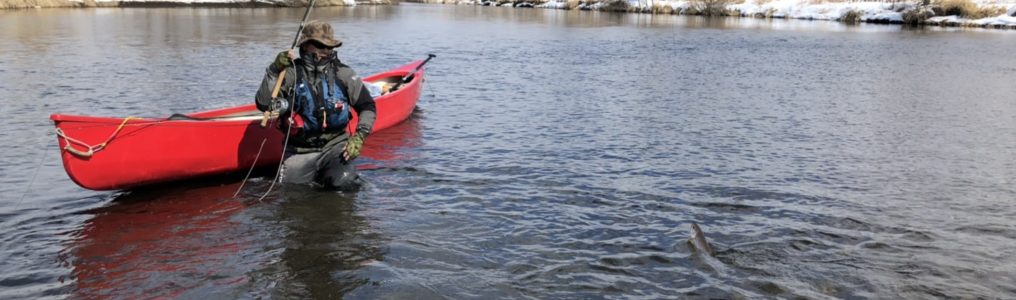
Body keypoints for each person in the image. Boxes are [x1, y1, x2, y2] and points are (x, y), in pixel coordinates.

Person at [255, 20, 376, 189]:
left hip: (336, 147)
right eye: (320, 45)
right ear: (305, 46)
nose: (325, 51)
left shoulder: (344, 73)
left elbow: (367, 107)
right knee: (292, 197)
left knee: (344, 182)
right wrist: (274, 71)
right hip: (298, 151)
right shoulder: (289, 73)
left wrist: (359, 137)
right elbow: (264, 103)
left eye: (329, 47)